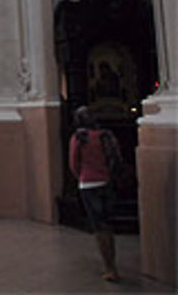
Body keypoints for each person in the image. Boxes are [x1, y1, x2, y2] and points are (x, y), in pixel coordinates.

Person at [68, 106, 121, 281]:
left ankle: (109, 267)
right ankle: (113, 263)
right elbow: (116, 158)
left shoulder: (79, 138)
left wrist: (82, 176)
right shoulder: (106, 135)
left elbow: (74, 164)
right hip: (106, 183)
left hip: (88, 184)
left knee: (99, 228)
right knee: (108, 225)